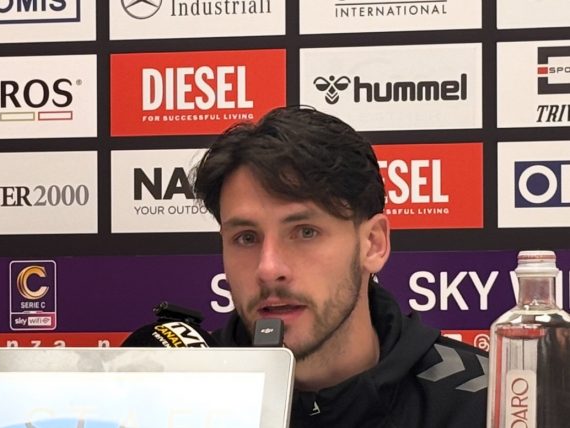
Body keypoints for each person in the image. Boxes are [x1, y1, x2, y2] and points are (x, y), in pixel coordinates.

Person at [192, 106, 488, 427]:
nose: (268, 268)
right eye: (246, 238)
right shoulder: (176, 393)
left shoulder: (489, 401)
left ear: (373, 243)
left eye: (305, 232)